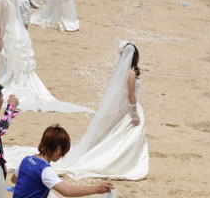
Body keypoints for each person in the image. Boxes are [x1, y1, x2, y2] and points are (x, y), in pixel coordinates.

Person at [56, 42, 148, 180]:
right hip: (130, 110)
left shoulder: (123, 72)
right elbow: (130, 94)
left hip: (127, 108)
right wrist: (135, 114)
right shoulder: (131, 73)